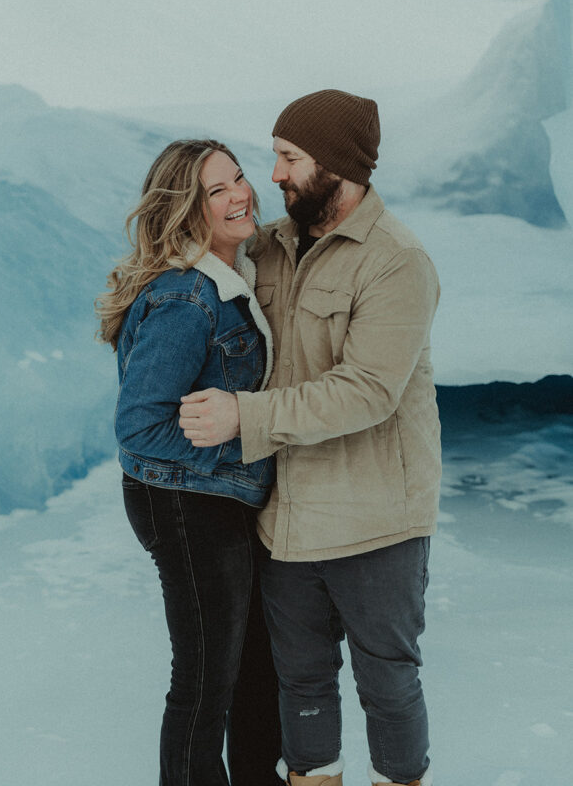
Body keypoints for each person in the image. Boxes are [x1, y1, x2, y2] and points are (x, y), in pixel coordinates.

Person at [178, 90, 441, 786]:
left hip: (375, 520)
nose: (273, 174)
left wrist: (245, 418)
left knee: (387, 685)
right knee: (301, 689)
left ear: (338, 167)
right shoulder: (271, 248)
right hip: (286, 522)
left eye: (289, 157)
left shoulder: (395, 262)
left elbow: (367, 391)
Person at [96, 139, 282, 786]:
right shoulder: (186, 297)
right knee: (206, 680)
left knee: (257, 671)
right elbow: (140, 425)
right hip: (185, 502)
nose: (240, 195)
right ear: (185, 208)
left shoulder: (229, 281)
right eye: (216, 190)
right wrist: (253, 445)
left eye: (238, 179)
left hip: (218, 499)